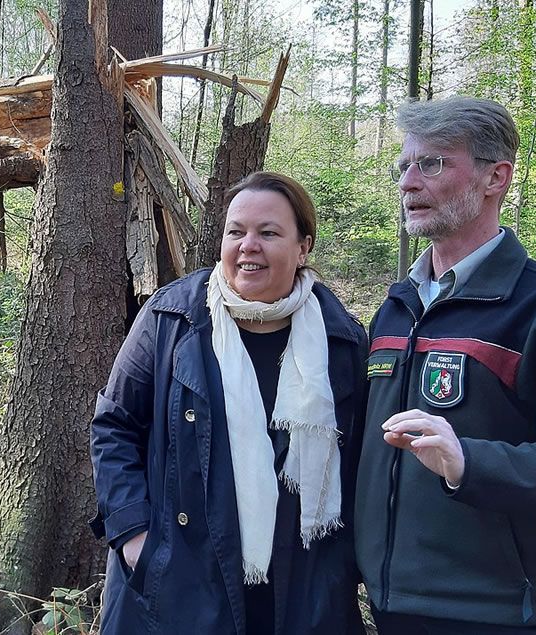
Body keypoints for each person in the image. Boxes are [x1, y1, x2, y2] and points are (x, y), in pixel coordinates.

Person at [356, 96, 536, 634]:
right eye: (404, 166)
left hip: (492, 613)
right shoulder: (396, 306)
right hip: (389, 603)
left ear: (495, 178)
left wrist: (469, 463)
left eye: (432, 163)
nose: (409, 183)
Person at [90, 171, 367, 634]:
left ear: (303, 248)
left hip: (300, 584)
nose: (248, 245)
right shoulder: (171, 318)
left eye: (269, 232)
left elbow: (360, 461)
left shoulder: (341, 340)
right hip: (180, 577)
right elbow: (114, 426)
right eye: (236, 231)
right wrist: (135, 537)